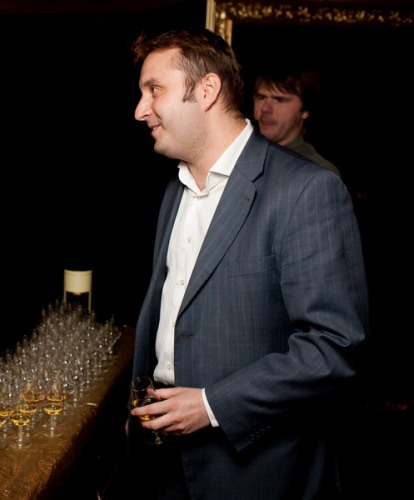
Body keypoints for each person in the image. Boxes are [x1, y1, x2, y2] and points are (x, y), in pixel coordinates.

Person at [127, 27, 368, 499]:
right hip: (164, 462)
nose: (140, 109)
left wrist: (212, 405)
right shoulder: (176, 189)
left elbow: (334, 346)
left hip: (257, 470)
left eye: (154, 90)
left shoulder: (306, 190)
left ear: (207, 90)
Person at [253, 64, 342, 176]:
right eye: (261, 97)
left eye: (279, 100)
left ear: (305, 110)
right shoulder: (243, 153)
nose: (265, 108)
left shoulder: (318, 173)